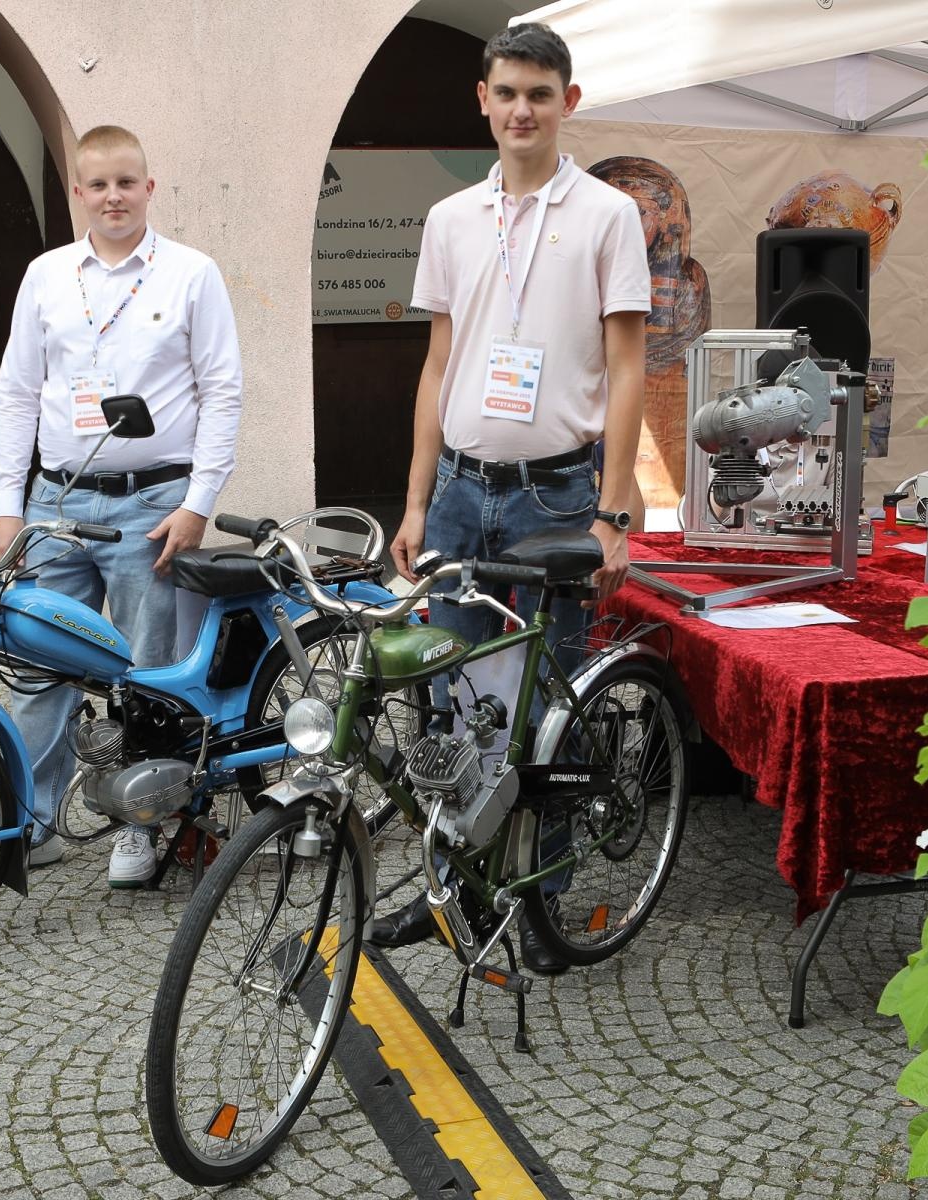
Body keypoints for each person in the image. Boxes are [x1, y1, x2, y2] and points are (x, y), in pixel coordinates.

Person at [370, 22, 650, 972]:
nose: (521, 109)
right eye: (506, 93)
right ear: (482, 102)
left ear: (568, 102)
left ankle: (543, 898)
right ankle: (453, 886)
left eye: (538, 93)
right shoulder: (451, 217)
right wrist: (415, 503)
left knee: (546, 711)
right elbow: (436, 365)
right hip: (459, 493)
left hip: (556, 497)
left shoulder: (608, 213)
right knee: (448, 705)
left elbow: (627, 366)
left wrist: (615, 510)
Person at [0, 125, 242, 886]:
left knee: (146, 673)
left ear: (149, 187)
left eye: (126, 182)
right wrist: (8, 505)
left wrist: (199, 503)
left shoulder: (191, 274)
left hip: (153, 506)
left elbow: (222, 391)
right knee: (38, 671)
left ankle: (142, 826)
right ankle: (30, 825)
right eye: (98, 185)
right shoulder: (46, 275)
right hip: (57, 504)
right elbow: (17, 393)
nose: (113, 197)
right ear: (78, 193)